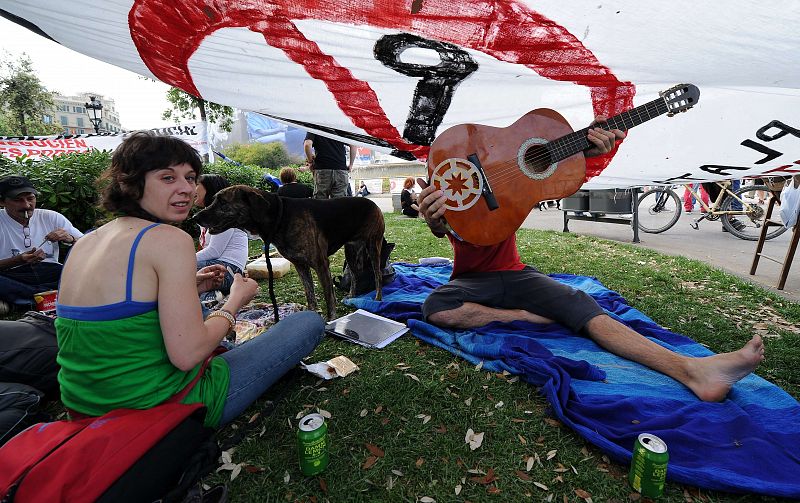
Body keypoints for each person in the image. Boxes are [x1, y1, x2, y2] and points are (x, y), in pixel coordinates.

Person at [417, 118, 764, 403]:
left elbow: (558, 174)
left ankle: (695, 371)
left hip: (516, 274)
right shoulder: (449, 200)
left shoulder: (510, 183)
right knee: (435, 307)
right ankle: (527, 317)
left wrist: (591, 148)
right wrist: (436, 222)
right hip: (472, 281)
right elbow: (447, 229)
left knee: (580, 303)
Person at [54, 131, 324, 428]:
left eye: (191, 177)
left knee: (204, 313)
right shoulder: (169, 239)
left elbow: (118, 317)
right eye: (168, 178)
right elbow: (187, 355)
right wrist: (235, 301)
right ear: (128, 183)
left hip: (84, 409)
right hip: (164, 408)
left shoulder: (84, 242)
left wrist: (189, 286)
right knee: (307, 322)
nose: (187, 189)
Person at [0, 175, 83, 313]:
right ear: (2, 202)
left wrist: (70, 239)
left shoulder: (50, 216)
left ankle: (21, 302)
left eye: (30, 198)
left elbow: (88, 245)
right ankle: (54, 298)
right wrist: (18, 260)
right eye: (18, 200)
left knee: (83, 272)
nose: (27, 205)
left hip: (51, 272)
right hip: (13, 275)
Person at [194, 174, 249, 303]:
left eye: (196, 184)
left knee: (178, 268)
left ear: (210, 189)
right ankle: (209, 296)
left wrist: (184, 260)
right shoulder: (212, 216)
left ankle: (209, 296)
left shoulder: (223, 216)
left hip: (228, 271)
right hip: (225, 270)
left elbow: (214, 251)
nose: (192, 189)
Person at [304, 132, 356, 199]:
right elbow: (353, 145)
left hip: (322, 170)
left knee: (320, 202)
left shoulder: (315, 126)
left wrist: (311, 162)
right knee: (339, 202)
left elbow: (307, 145)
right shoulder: (339, 127)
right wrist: (351, 164)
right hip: (341, 169)